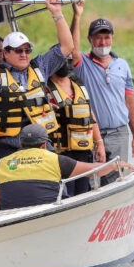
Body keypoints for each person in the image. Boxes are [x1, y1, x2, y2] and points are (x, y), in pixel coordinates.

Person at [0, 0, 74, 175]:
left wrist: (57, 13)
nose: (24, 54)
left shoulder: (40, 67)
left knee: (50, 187)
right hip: (4, 148)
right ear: (6, 53)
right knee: (7, 195)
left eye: (27, 50)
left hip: (39, 147)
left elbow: (67, 46)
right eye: (18, 50)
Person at [70, 0, 134, 177]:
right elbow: (72, 48)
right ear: (90, 39)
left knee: (117, 179)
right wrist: (77, 16)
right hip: (92, 135)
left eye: (106, 37)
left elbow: (130, 102)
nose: (103, 42)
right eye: (98, 38)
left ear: (112, 38)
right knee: (93, 180)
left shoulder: (122, 65)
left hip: (119, 133)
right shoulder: (82, 63)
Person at [0, 124, 134, 210]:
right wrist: (116, 164)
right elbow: (93, 171)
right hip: (47, 214)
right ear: (44, 145)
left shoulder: (2, 163)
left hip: (11, 214)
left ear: (21, 144)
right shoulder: (56, 160)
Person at [47, 57, 105, 195]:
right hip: (61, 153)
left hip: (83, 151)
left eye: (68, 60)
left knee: (84, 193)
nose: (65, 64)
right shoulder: (45, 87)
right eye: (61, 61)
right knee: (67, 195)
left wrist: (100, 143)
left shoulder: (78, 84)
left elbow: (89, 115)